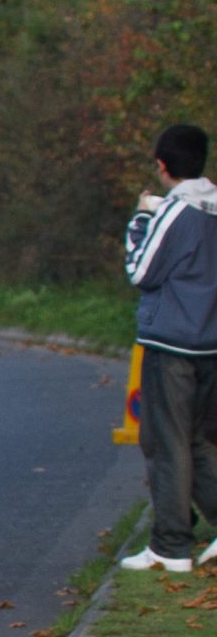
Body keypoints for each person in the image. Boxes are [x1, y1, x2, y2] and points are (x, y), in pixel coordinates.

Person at [122, 124, 217, 572]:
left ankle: (170, 545)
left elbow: (140, 270)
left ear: (162, 165)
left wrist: (142, 217)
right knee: (199, 440)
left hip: (173, 341)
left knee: (165, 442)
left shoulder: (174, 212)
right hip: (212, 342)